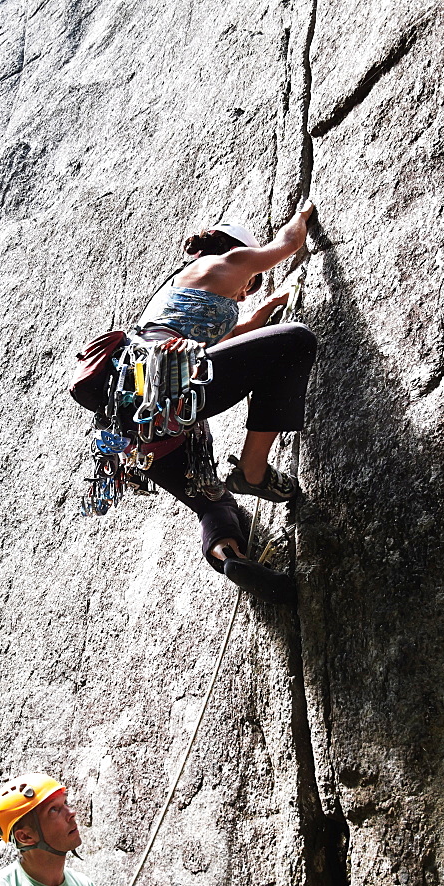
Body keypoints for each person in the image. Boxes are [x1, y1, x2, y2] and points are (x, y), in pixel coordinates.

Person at [131, 201, 317, 607]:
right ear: (234, 250)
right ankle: (253, 471)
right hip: (168, 385)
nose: (245, 292)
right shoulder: (230, 259)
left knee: (214, 504)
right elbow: (287, 244)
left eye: (250, 291)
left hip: (136, 421)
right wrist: (301, 216)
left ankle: (230, 559)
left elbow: (232, 341)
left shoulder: (172, 296)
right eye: (249, 286)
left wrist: (267, 308)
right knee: (295, 342)